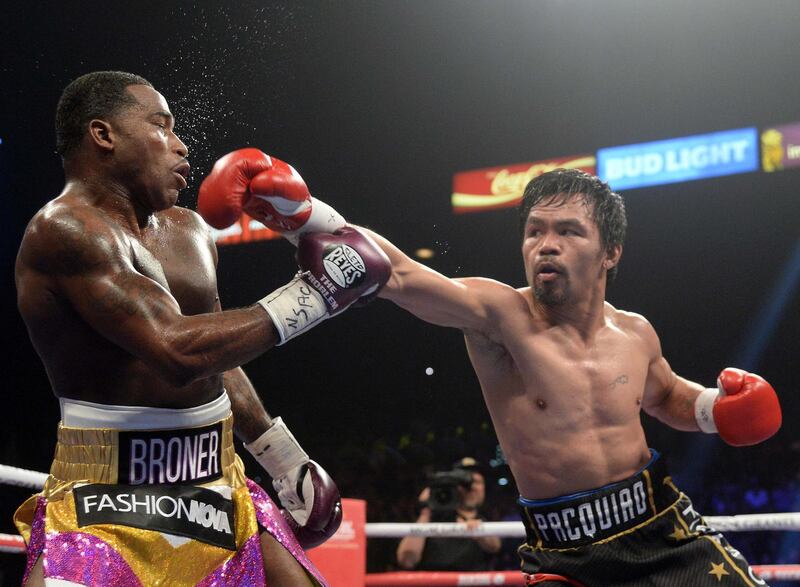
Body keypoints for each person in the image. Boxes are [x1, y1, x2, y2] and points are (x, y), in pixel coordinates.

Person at [208, 160, 783, 586]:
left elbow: (666, 396)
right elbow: (400, 275)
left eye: (569, 232)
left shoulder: (635, 332)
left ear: (611, 253)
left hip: (660, 527)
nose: (546, 245)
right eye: (535, 231)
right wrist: (307, 216)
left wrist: (715, 410)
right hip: (566, 553)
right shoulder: (499, 315)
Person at [13, 71, 391, 587]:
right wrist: (317, 295)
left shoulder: (189, 231)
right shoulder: (65, 230)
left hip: (218, 480)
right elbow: (175, 351)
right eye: (161, 126)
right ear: (104, 135)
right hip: (106, 496)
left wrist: (282, 458)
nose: (181, 144)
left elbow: (216, 355)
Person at [396, 457, 501, 572]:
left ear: (484, 489)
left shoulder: (489, 515)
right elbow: (407, 560)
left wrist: (479, 532)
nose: (472, 488)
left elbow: (495, 547)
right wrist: (425, 512)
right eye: (465, 483)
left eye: (477, 482)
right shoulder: (431, 517)